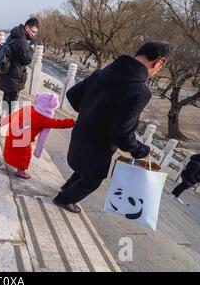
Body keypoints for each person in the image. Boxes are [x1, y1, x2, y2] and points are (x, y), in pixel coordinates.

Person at [54, 41, 172, 213]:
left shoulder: (102, 73)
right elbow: (121, 133)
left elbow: (72, 95)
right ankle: (63, 199)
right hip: (98, 147)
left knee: (83, 169)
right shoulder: (139, 91)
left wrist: (89, 112)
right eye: (160, 66)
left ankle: (67, 188)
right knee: (93, 179)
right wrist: (140, 150)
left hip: (79, 137)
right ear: (159, 62)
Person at [1, 92, 74, 179]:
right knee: (24, 154)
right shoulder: (44, 118)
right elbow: (59, 123)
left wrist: (4, 121)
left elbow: (13, 115)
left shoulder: (28, 108)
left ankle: (8, 159)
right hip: (23, 139)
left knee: (10, 147)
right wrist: (72, 122)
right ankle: (21, 171)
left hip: (12, 132)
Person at [0, 18, 39, 116]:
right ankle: (6, 119)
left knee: (6, 97)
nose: (33, 34)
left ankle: (2, 117)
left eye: (35, 33)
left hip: (7, 72)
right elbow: (27, 60)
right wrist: (32, 48)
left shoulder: (14, 35)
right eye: (33, 31)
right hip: (15, 75)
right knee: (12, 99)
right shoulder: (22, 41)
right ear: (27, 27)